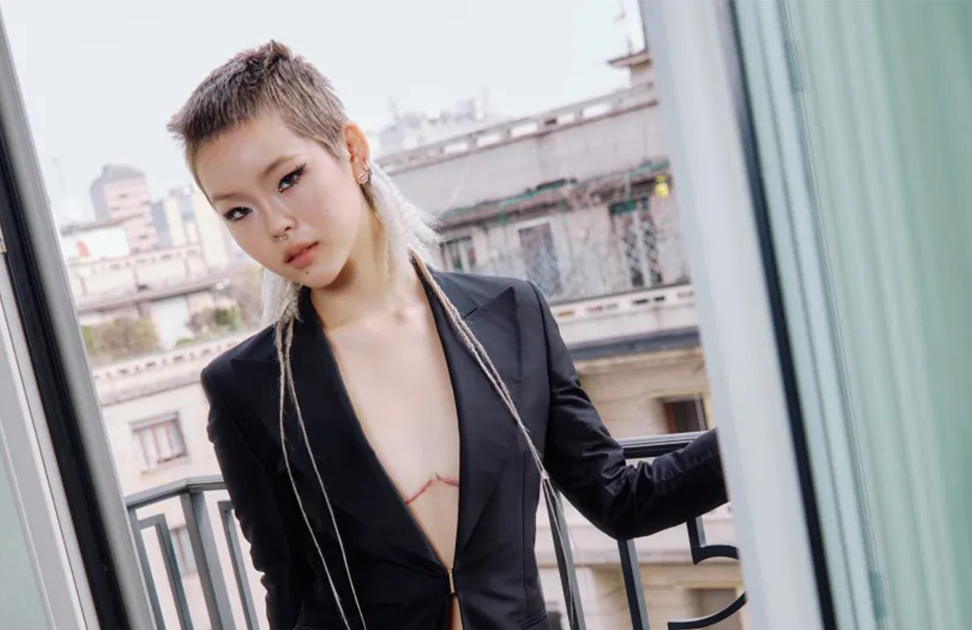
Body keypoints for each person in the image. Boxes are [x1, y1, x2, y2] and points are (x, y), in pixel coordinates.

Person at [169, 41, 728, 630]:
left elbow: (622, 500)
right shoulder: (248, 386)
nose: (276, 224)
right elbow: (287, 590)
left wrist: (773, 420)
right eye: (238, 212)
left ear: (352, 151)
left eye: (288, 179)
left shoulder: (511, 315)